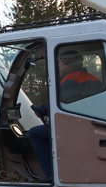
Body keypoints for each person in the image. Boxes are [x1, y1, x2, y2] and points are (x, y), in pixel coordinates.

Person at [27, 51, 101, 179]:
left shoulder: (70, 80)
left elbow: (64, 104)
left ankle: (51, 175)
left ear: (67, 65)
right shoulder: (89, 77)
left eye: (59, 63)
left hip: (76, 126)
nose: (57, 66)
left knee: (35, 134)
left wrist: (42, 110)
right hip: (89, 123)